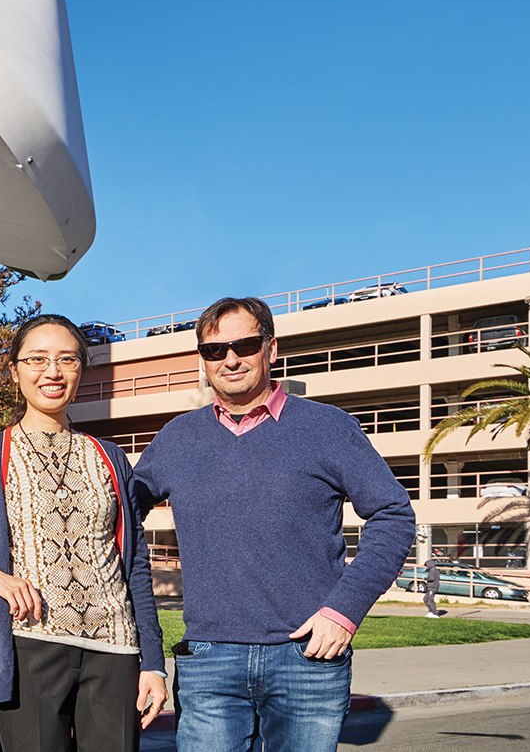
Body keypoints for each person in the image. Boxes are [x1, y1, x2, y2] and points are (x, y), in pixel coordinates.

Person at [132, 297, 415, 752]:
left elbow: (394, 515)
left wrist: (343, 611)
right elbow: (117, 517)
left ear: (271, 348)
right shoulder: (177, 438)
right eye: (214, 350)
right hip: (209, 658)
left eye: (244, 344)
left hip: (307, 656)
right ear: (202, 361)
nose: (230, 358)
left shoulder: (328, 428)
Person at [0, 314, 167, 752]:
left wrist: (153, 663)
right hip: (30, 647)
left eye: (67, 359)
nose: (53, 372)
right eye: (37, 359)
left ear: (82, 367)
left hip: (115, 651)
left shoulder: (111, 457)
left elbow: (135, 564)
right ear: (15, 370)